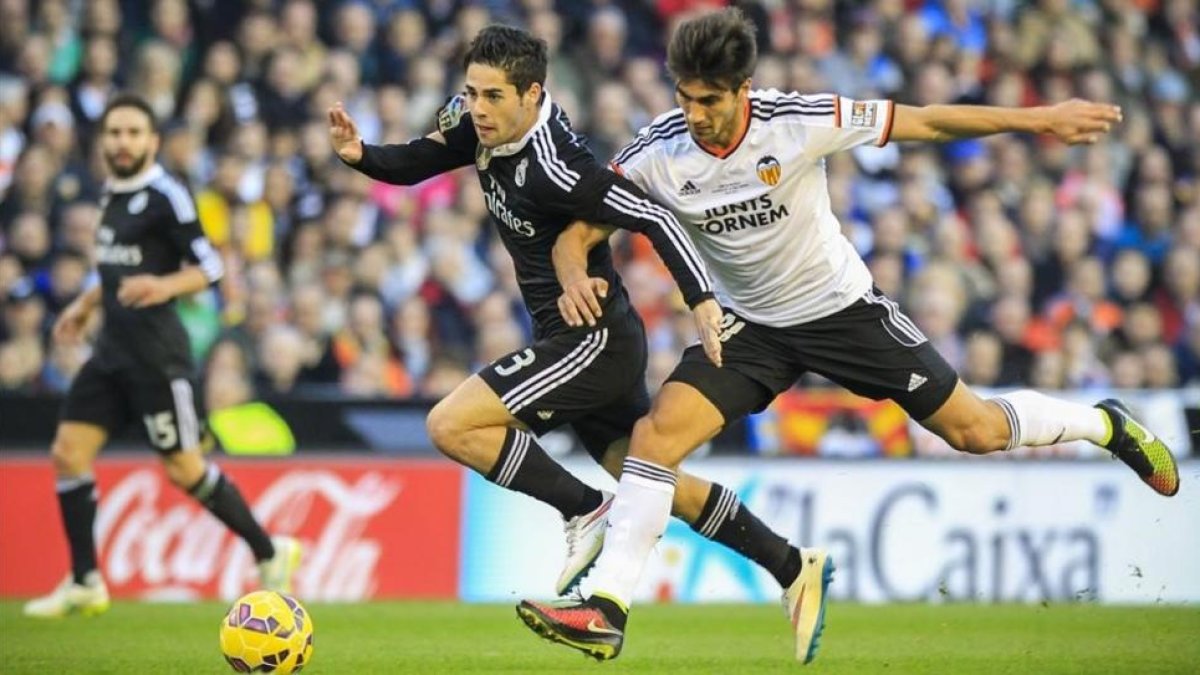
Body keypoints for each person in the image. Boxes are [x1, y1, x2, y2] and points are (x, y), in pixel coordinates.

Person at [516, 7, 1180, 663]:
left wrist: (1038, 120)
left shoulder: (798, 122)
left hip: (841, 312)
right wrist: (572, 271)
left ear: (743, 89)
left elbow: (925, 120)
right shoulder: (658, 149)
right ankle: (606, 609)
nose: (694, 114)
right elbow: (581, 229)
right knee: (655, 437)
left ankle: (1104, 424)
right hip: (751, 328)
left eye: (709, 100)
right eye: (685, 97)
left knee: (974, 430)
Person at [330, 25, 813, 602]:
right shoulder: (478, 126)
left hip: (594, 341)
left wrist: (702, 300)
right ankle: (790, 564)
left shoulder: (561, 169)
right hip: (576, 337)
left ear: (532, 94)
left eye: (492, 96)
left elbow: (655, 218)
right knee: (656, 483)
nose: (476, 109)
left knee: (451, 425)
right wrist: (360, 156)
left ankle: (586, 511)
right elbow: (415, 161)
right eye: (471, 93)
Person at [24, 94, 301, 619]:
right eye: (114, 133)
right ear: (103, 140)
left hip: (157, 359)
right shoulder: (112, 193)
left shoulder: (167, 196)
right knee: (68, 453)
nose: (122, 142)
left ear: (151, 141)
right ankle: (85, 580)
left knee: (184, 469)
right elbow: (112, 269)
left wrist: (162, 284)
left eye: (132, 133)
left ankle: (270, 550)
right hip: (110, 355)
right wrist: (85, 306)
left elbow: (211, 267)